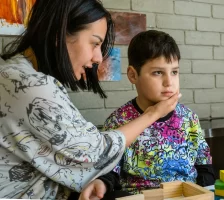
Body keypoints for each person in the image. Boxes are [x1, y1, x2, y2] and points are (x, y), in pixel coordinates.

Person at [0, 1, 180, 199]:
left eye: (174, 72)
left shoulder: (17, 74)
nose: (98, 58)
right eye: (95, 43)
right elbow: (96, 154)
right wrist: (153, 114)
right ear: (59, 35)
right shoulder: (31, 87)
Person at [85, 30, 215, 198]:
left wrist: (202, 192)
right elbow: (110, 171)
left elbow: (204, 165)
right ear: (133, 75)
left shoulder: (189, 118)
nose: (169, 82)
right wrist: (102, 182)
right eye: (158, 73)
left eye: (174, 72)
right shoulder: (119, 121)